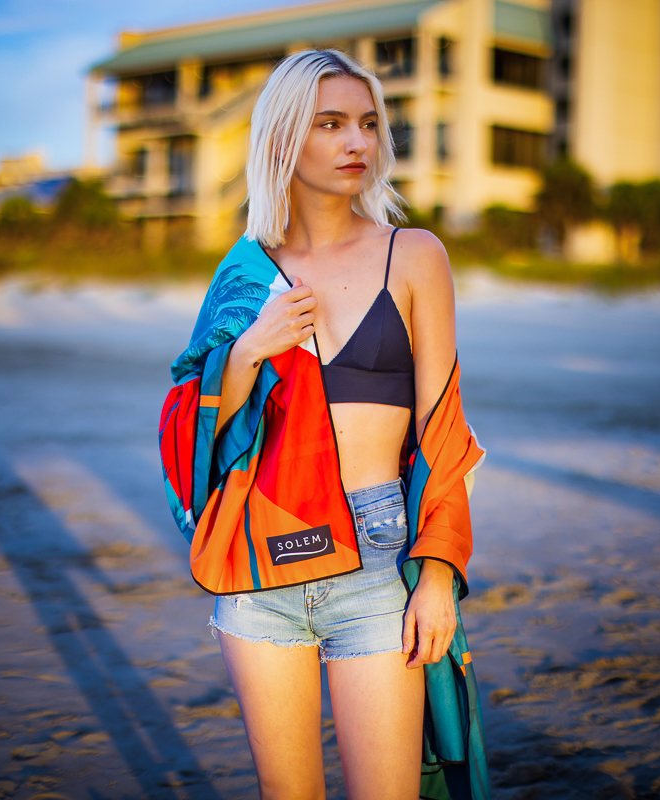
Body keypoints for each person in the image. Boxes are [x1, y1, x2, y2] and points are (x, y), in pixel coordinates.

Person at [159, 49, 488, 800]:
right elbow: (185, 430)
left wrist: (437, 569)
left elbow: (445, 431)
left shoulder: (413, 255)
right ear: (281, 139)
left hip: (376, 558)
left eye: (369, 125)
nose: (358, 144)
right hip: (257, 569)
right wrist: (247, 352)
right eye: (331, 124)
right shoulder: (244, 276)